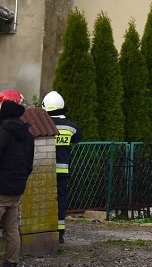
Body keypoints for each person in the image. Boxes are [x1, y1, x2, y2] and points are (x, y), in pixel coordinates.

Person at [0, 89, 35, 267]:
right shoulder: (27, 135)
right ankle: (11, 262)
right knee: (11, 229)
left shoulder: (3, 131)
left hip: (1, 189)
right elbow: (29, 164)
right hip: (16, 189)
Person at [42, 91, 82, 244]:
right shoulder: (70, 127)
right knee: (61, 201)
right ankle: (60, 234)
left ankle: (44, 230)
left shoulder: (42, 124)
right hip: (63, 171)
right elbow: (78, 138)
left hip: (44, 171)